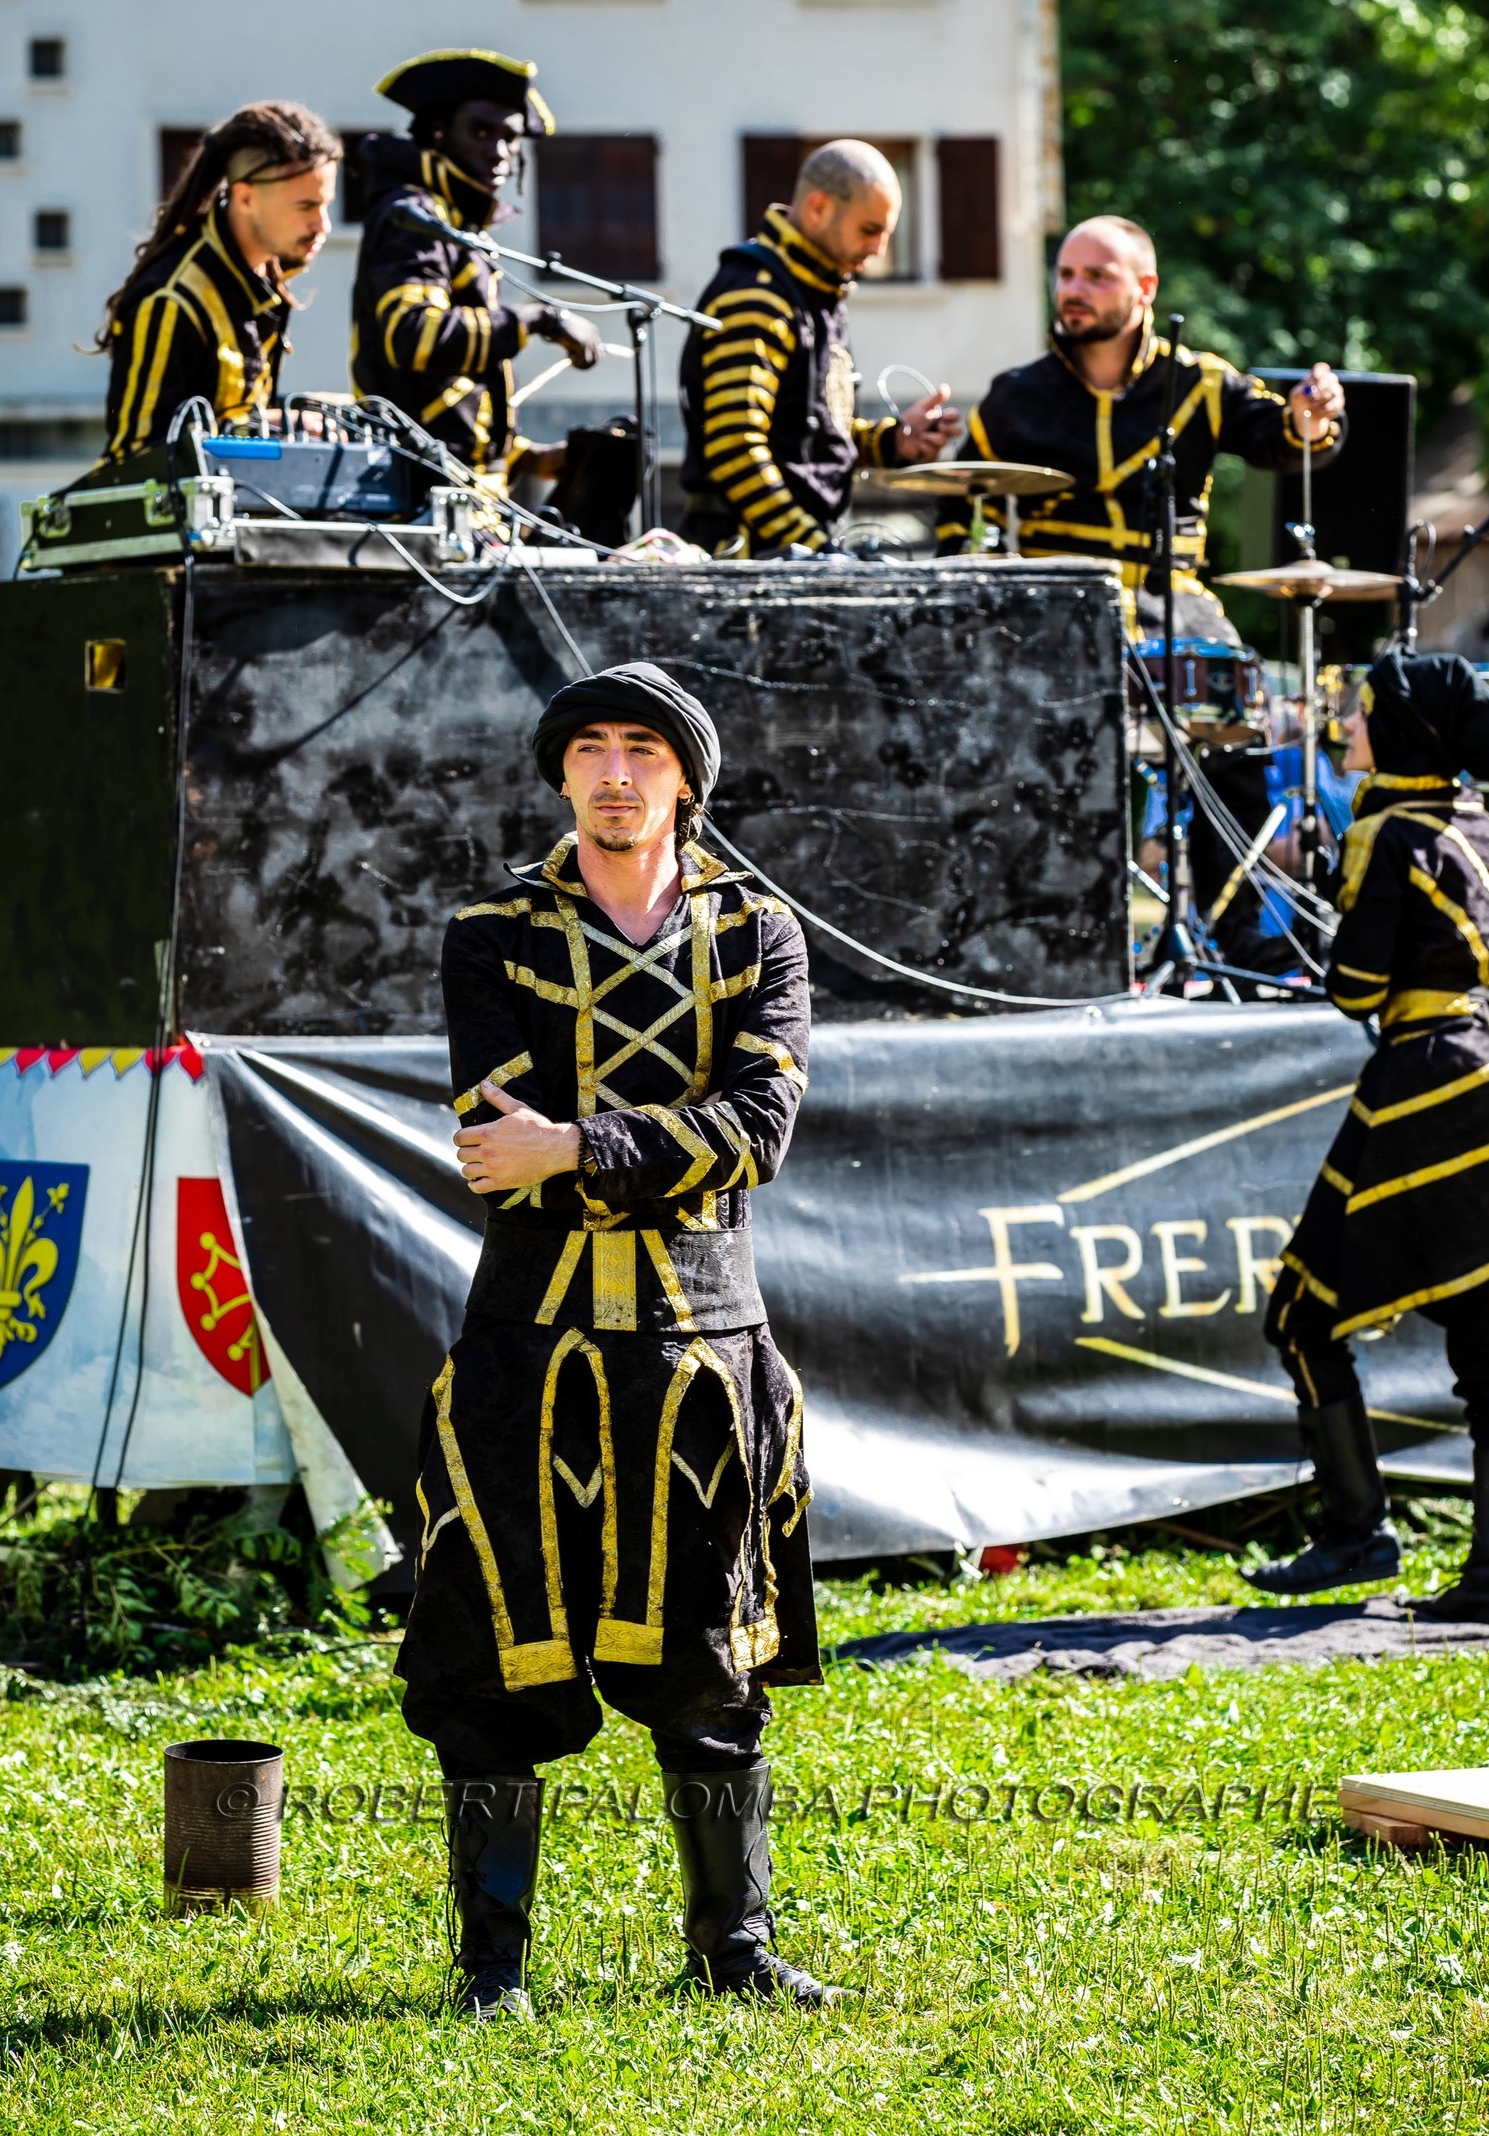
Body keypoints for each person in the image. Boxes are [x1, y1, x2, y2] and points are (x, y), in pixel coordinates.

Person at [395, 662, 833, 2017]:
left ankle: (735, 1949)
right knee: (490, 1654)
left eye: (643, 746)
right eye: (589, 747)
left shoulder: (763, 934)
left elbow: (758, 1132)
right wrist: (648, 1147)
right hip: (530, 1342)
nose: (615, 769)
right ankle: (490, 1966)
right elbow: (492, 1152)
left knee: (714, 1658)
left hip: (705, 1341)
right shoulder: (493, 929)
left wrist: (581, 1138)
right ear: (562, 774)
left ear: (686, 778)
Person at [1250, 651, 1489, 1620]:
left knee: (1301, 1311)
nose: (1346, 728)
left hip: (1424, 1079)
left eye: (1361, 713)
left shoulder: (1385, 833)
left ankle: (1355, 1534)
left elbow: (1355, 990)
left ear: (1404, 734)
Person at [936, 215, 1347, 639]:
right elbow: (966, 503)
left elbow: (1279, 438)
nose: (1074, 290)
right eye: (1066, 274)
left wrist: (1310, 417)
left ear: (1145, 288)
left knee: (1226, 687)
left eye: (1098, 276)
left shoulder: (1201, 383)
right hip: (1050, 613)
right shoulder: (1015, 395)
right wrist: (992, 592)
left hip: (1174, 612)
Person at [678, 140, 959, 558]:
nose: (879, 249)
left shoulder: (813, 291)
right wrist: (818, 551)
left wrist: (894, 442)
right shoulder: (758, 298)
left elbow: (808, 434)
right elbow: (736, 449)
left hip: (793, 558)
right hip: (748, 564)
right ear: (818, 208)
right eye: (870, 230)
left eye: (886, 233)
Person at [350, 50, 603, 485]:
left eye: (511, 138)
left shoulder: (454, 221)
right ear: (437, 132)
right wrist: (539, 318)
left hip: (465, 494)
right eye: (481, 132)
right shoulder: (414, 217)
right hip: (416, 494)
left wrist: (526, 458)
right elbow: (414, 336)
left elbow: (454, 391)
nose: (498, 152)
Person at [99, 101, 339, 462]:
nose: (324, 225)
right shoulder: (172, 300)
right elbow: (137, 454)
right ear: (245, 197)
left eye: (326, 205)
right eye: (306, 206)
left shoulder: (264, 276)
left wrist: (294, 420)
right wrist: (264, 426)